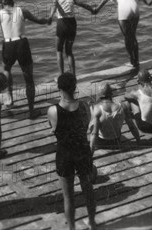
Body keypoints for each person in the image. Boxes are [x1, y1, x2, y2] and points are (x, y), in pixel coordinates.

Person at [0, 0, 50, 118]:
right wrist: (48, 20)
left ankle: (10, 99)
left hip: (8, 44)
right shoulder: (23, 11)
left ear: (2, 4)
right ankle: (31, 111)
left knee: (7, 71)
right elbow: (39, 21)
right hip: (22, 43)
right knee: (29, 79)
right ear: (13, 3)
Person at [47, 73, 96, 230]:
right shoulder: (84, 106)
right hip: (82, 150)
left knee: (68, 197)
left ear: (59, 89)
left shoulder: (53, 110)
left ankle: (72, 228)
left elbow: (53, 129)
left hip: (64, 154)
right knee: (88, 190)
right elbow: (86, 124)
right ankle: (92, 223)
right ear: (75, 87)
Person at [93, 0, 145, 70]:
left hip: (123, 8)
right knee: (133, 36)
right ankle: (136, 61)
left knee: (127, 37)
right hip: (134, 5)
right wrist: (145, 0)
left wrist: (97, 9)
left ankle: (132, 61)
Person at [48, 0, 95, 76]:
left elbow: (54, 5)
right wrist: (91, 9)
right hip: (72, 24)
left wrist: (50, 17)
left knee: (59, 50)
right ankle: (73, 76)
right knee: (69, 51)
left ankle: (61, 76)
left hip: (62, 23)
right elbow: (82, 4)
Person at [89, 82, 140, 148]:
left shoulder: (97, 109)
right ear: (111, 94)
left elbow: (94, 133)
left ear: (100, 96)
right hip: (116, 140)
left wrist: (91, 153)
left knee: (92, 110)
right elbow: (132, 126)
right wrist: (138, 141)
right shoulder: (122, 106)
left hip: (102, 142)